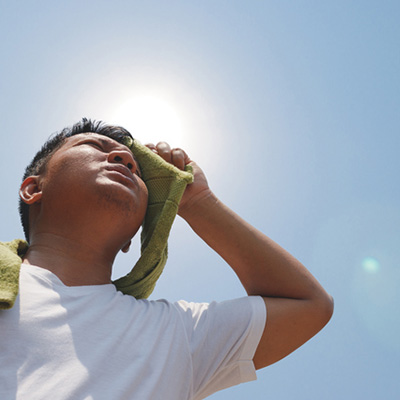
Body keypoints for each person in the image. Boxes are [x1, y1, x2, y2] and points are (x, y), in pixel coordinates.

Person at [0, 119, 333, 399]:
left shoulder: (175, 334)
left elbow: (308, 304)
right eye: (94, 146)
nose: (125, 160)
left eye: (138, 170)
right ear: (32, 189)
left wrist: (199, 201)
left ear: (132, 239)